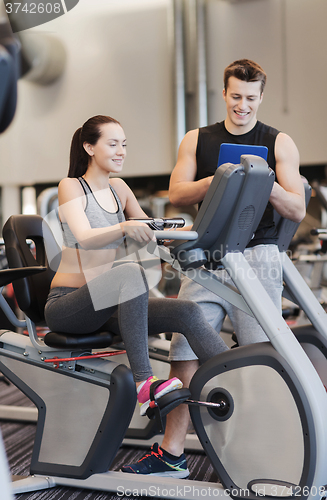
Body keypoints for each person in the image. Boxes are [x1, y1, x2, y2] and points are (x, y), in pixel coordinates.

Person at [121, 59, 306, 476]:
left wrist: (260, 179)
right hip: (206, 256)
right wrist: (217, 179)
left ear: (262, 97)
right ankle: (172, 454)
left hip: (256, 256)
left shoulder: (279, 142)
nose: (243, 105)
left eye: (251, 99)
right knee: (184, 351)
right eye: (236, 96)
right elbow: (176, 192)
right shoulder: (197, 139)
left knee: (262, 354)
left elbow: (297, 205)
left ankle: (267, 449)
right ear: (223, 93)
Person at [44, 114, 230, 423]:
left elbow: (150, 231)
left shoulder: (120, 188)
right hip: (68, 305)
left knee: (186, 311)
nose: (121, 151)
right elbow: (85, 238)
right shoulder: (72, 186)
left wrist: (180, 233)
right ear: (89, 147)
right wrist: (125, 228)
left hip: (109, 305)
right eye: (112, 144)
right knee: (131, 272)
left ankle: (241, 375)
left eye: (124, 144)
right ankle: (145, 385)